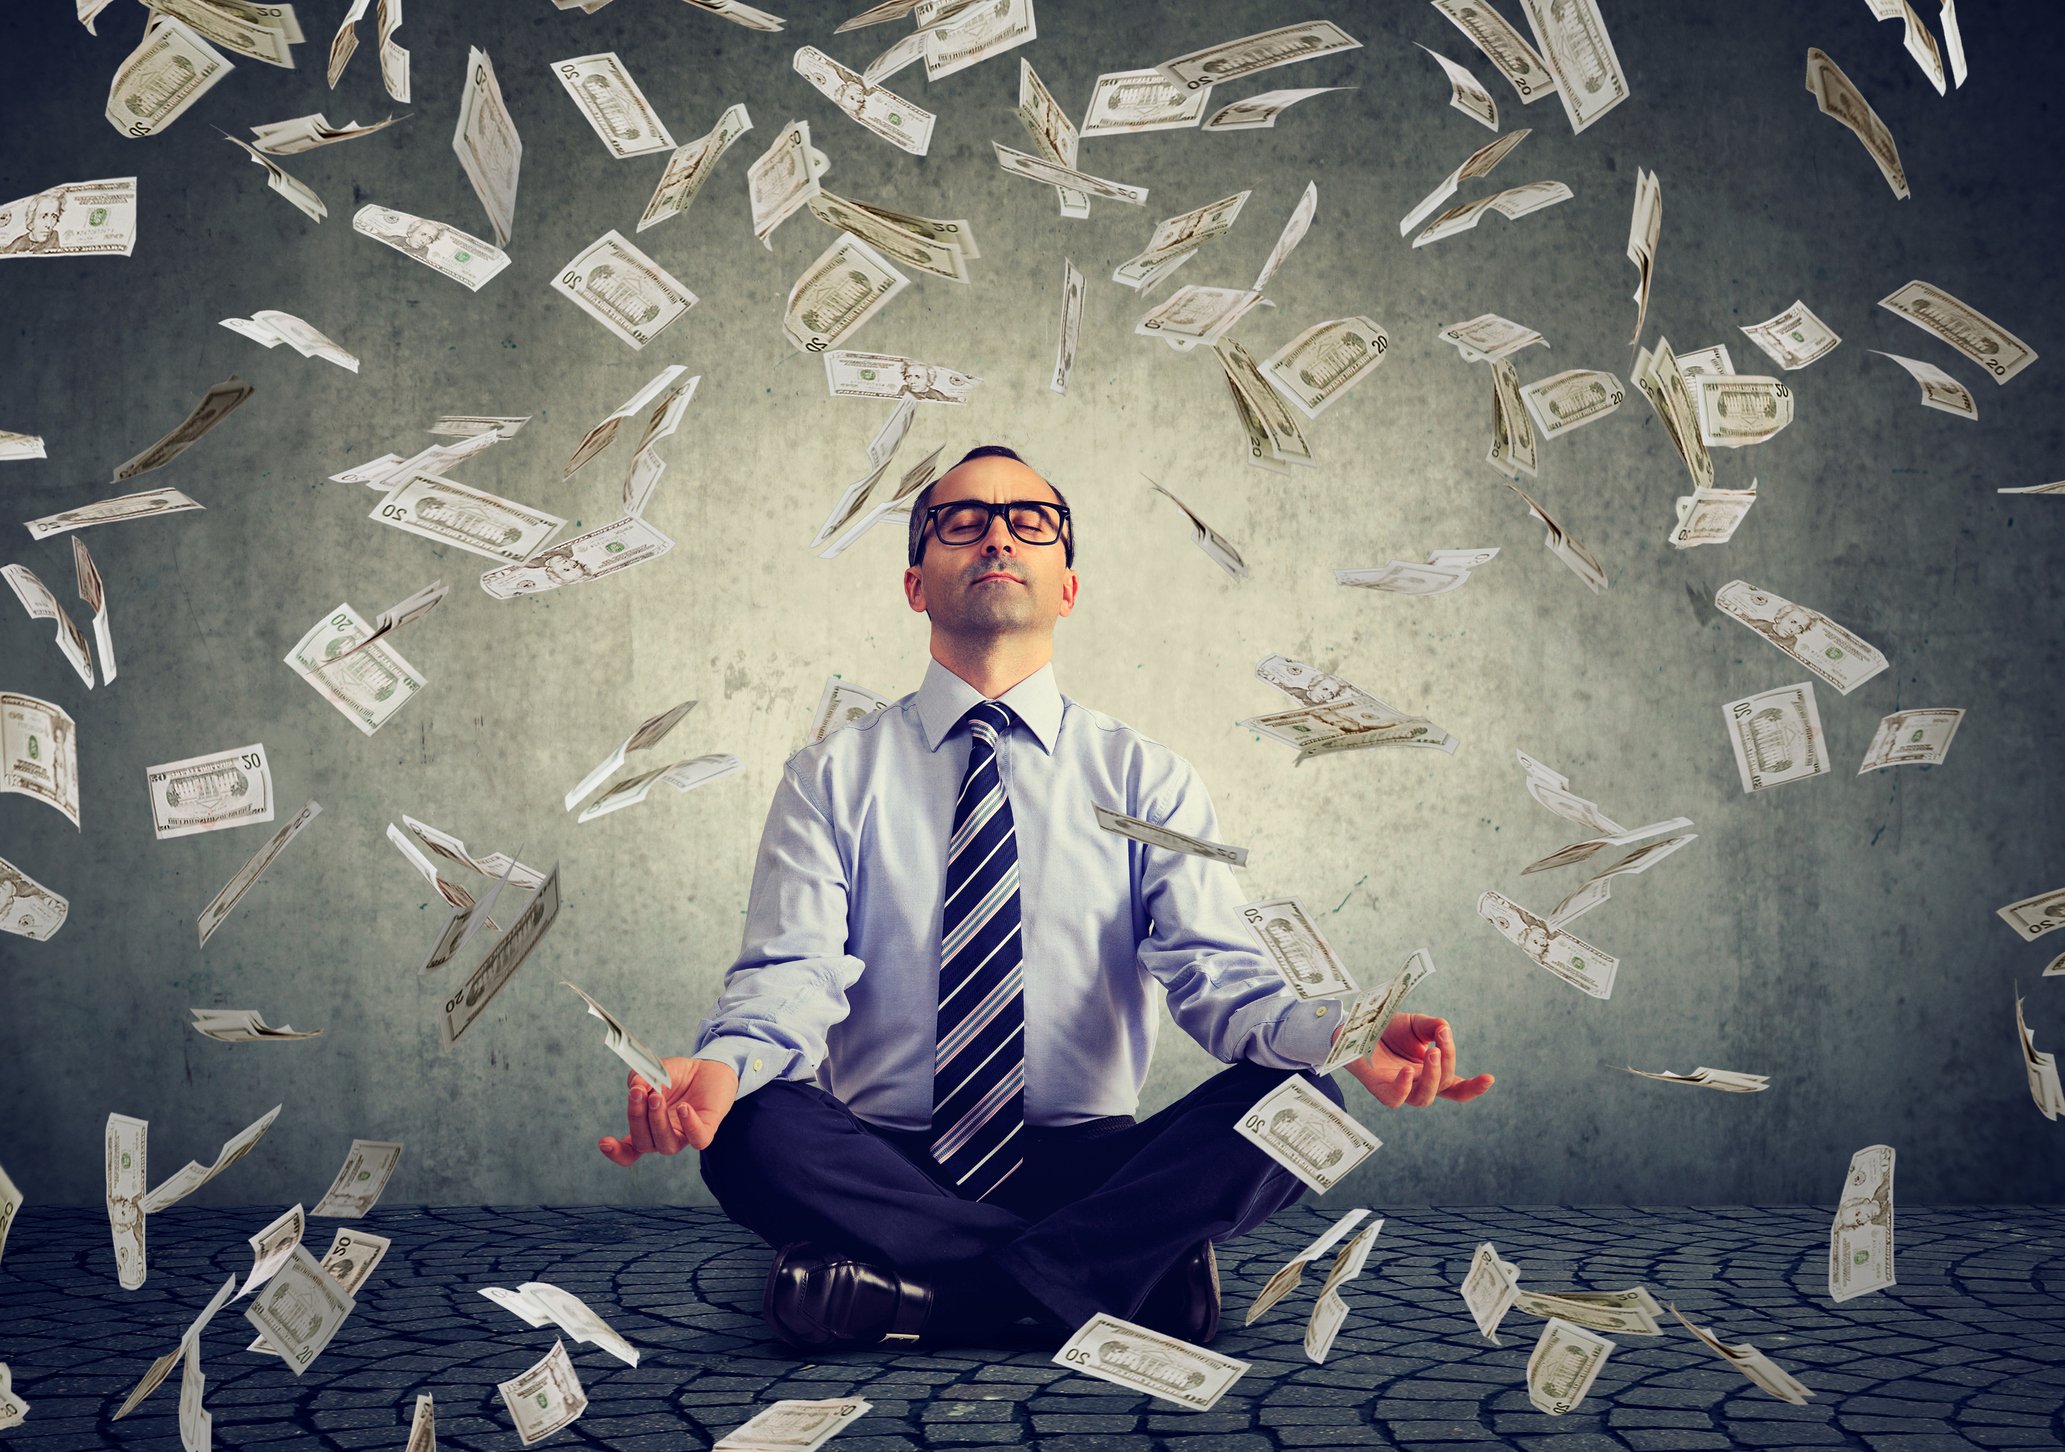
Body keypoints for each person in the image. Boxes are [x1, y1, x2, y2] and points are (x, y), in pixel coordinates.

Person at [598, 444, 1494, 1352]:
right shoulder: (829, 778)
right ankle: (1099, 1277)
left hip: (1092, 1165)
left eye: (1030, 522)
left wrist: (1345, 1033)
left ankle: (925, 1296)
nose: (996, 535)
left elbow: (1218, 979)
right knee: (752, 1126)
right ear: (916, 583)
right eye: (961, 520)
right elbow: (793, 970)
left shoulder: (1147, 780)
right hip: (884, 1165)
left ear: (1067, 585)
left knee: (1308, 1104)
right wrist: (724, 1065)